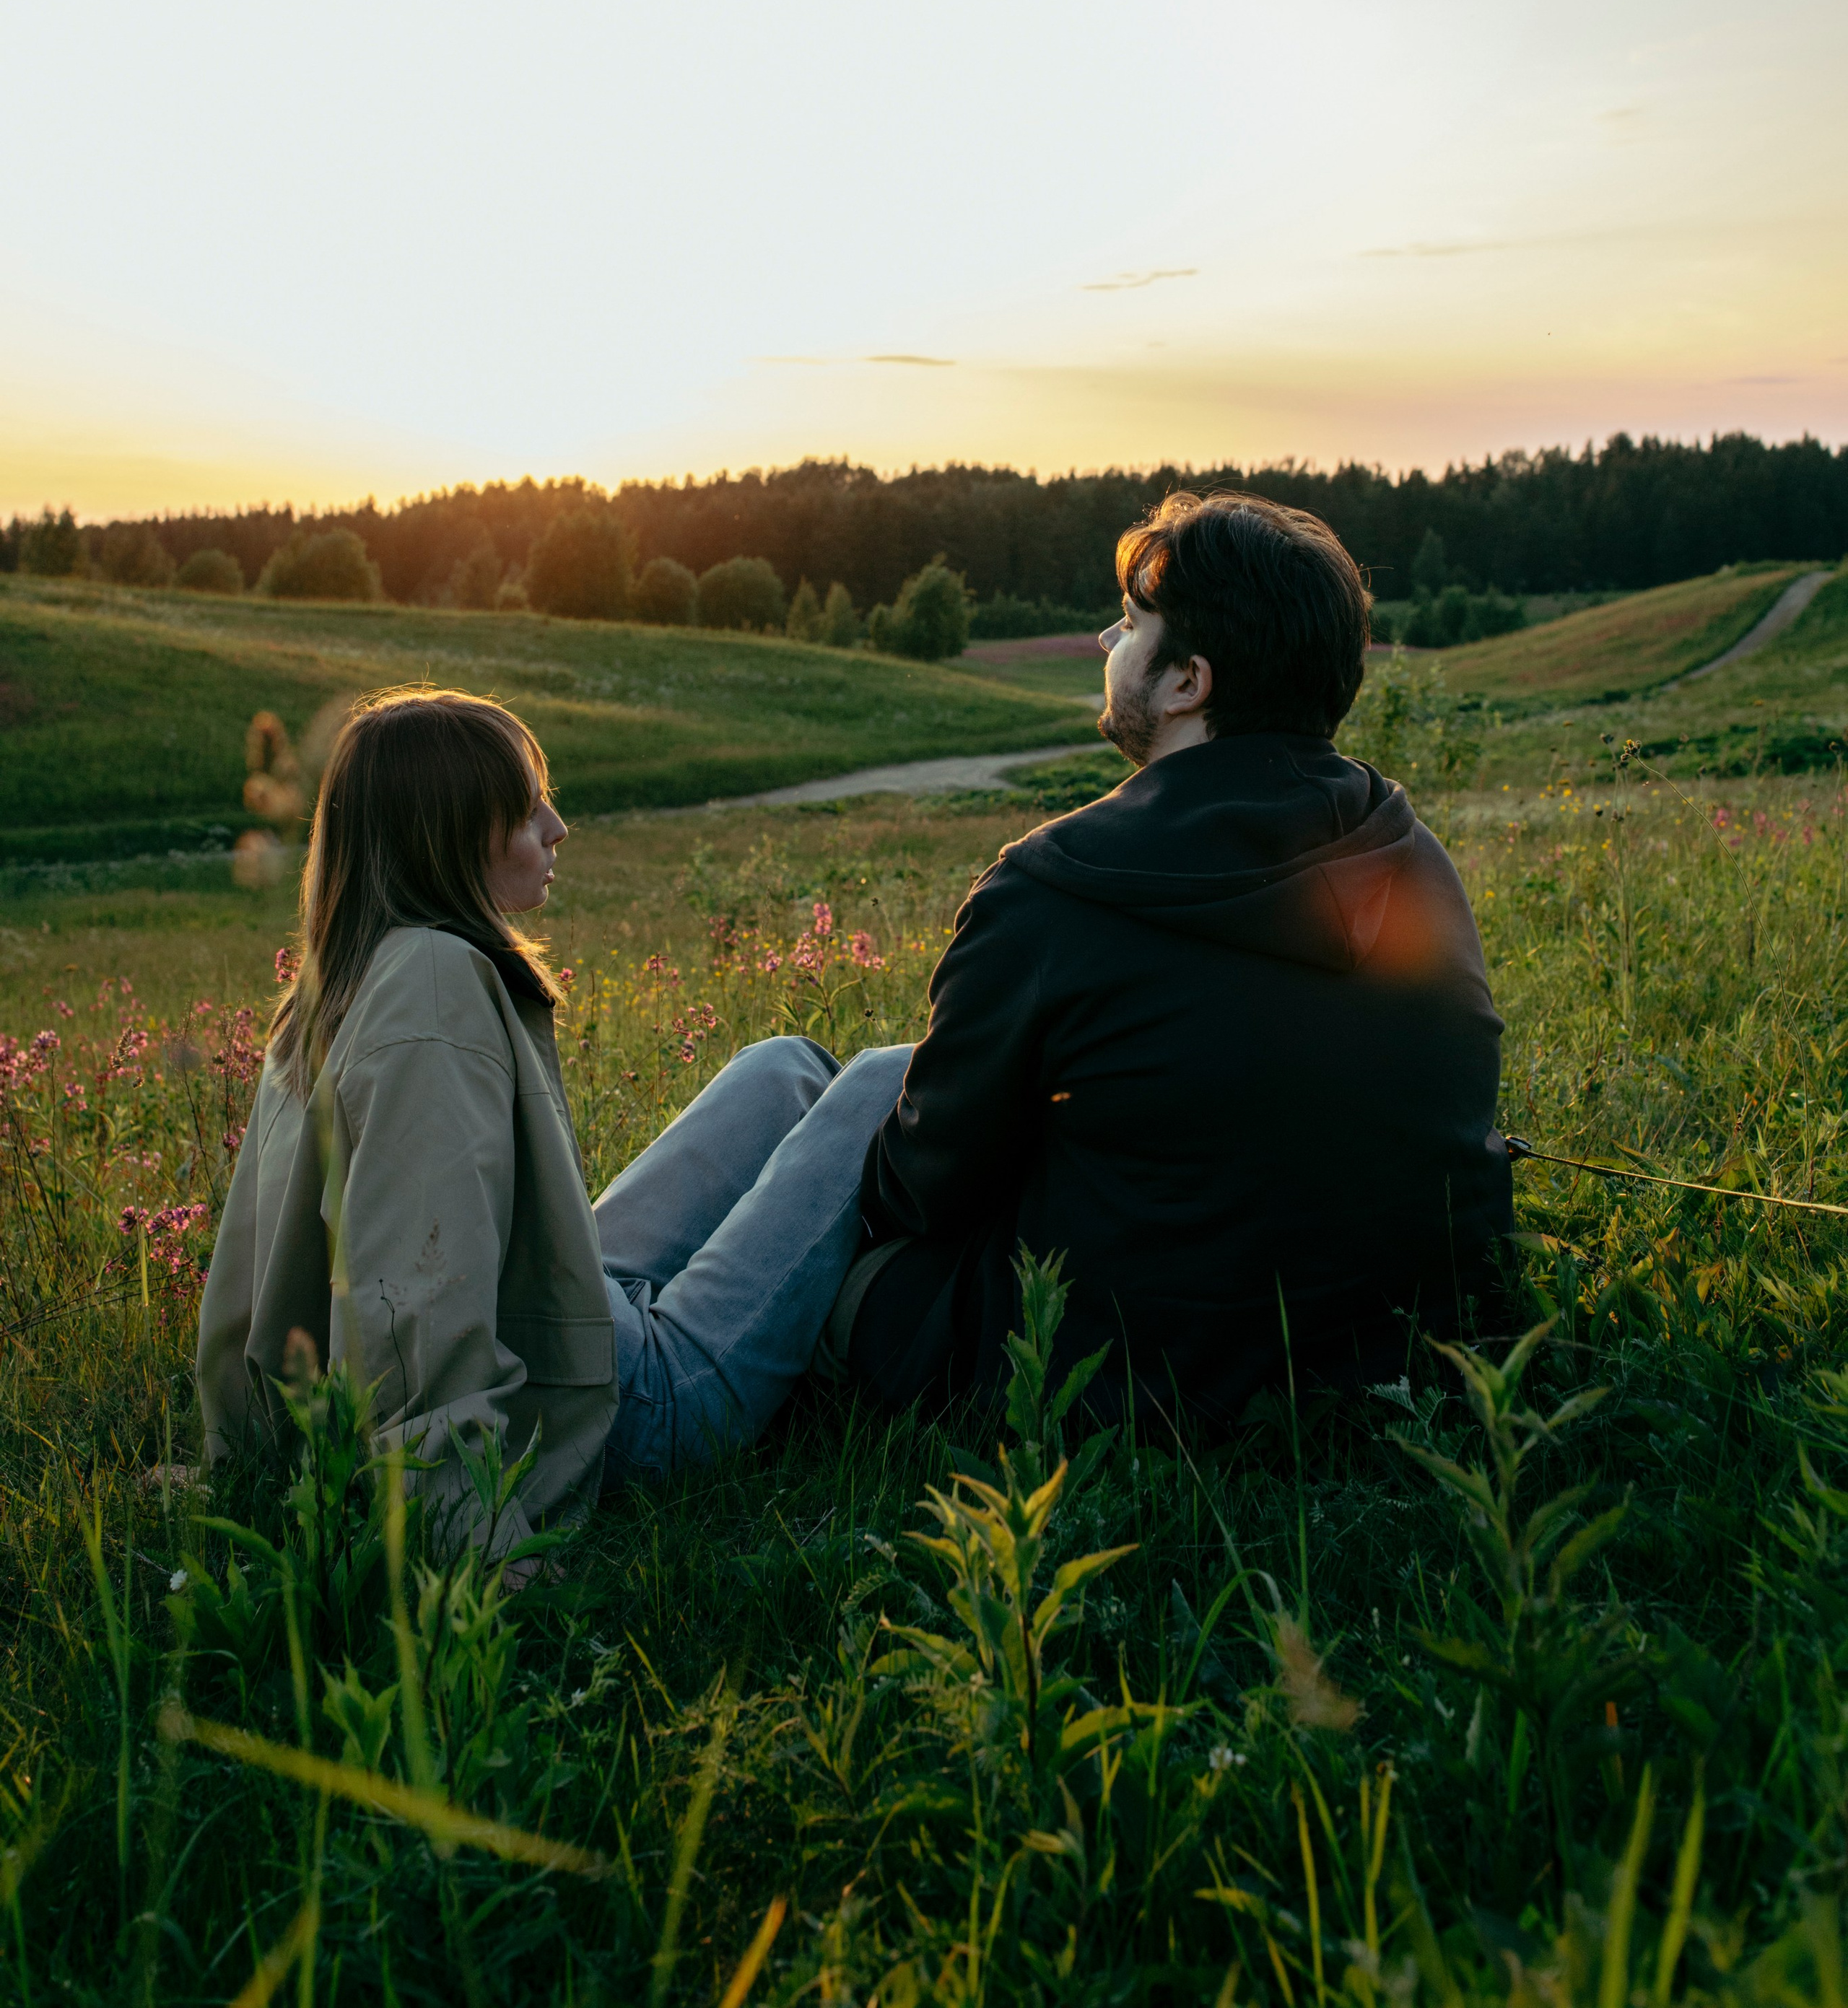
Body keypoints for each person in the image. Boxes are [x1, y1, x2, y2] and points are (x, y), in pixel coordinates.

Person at [829, 489, 1512, 1430]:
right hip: (1398, 1374)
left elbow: (920, 1190)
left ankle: (638, 1366)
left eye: (1130, 625)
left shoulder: (1050, 888)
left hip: (1117, 1386)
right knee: (815, 1079)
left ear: (1189, 681)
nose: (1109, 647)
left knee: (836, 1132)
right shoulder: (1408, 851)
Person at [196, 689, 907, 1548]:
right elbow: (416, 1302)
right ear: (449, 832)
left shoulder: (335, 988)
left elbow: (248, 1284)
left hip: (563, 1320)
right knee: (885, 1079)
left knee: (783, 1064)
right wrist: (469, 1538)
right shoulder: (428, 989)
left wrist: (243, 1447)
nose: (556, 827)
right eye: (525, 806)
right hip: (619, 1414)